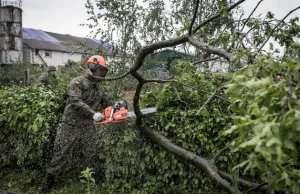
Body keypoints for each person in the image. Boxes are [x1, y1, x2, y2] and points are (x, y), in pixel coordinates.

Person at [41, 55, 115, 194]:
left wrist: (117, 107)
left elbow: (108, 103)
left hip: (87, 125)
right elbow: (75, 101)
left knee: (92, 153)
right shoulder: (78, 82)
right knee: (61, 154)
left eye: (104, 71)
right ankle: (47, 185)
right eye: (101, 70)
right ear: (93, 67)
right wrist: (93, 113)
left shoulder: (99, 88)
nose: (102, 73)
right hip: (70, 124)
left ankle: (95, 181)